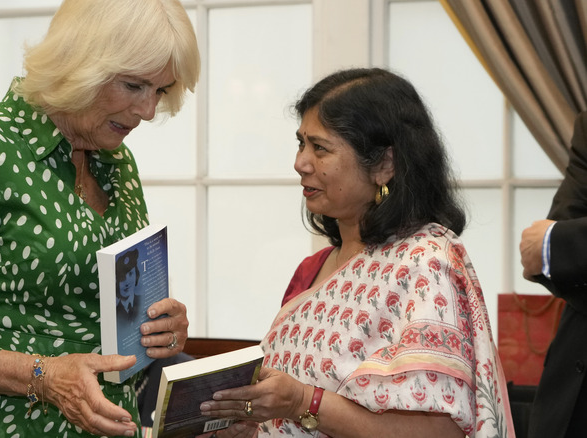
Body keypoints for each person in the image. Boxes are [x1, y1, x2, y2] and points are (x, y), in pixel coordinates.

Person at [0, 0, 200, 436]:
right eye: (134, 86)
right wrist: (44, 378)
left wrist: (158, 331)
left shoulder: (116, 164)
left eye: (160, 91)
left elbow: (103, 317)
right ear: (79, 63)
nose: (147, 110)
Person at [199, 68, 514, 438]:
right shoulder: (313, 269)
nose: (300, 162)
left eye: (320, 148)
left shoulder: (425, 264)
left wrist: (304, 402)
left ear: (384, 164)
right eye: (301, 143)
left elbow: (438, 430)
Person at [520, 111, 587, 438]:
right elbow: (546, 259)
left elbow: (552, 244)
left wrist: (560, 244)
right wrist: (560, 250)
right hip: (573, 397)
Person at [117, 248, 142, 323]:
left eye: (131, 274)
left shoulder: (144, 301)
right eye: (122, 277)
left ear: (136, 275)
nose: (126, 281)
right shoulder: (116, 313)